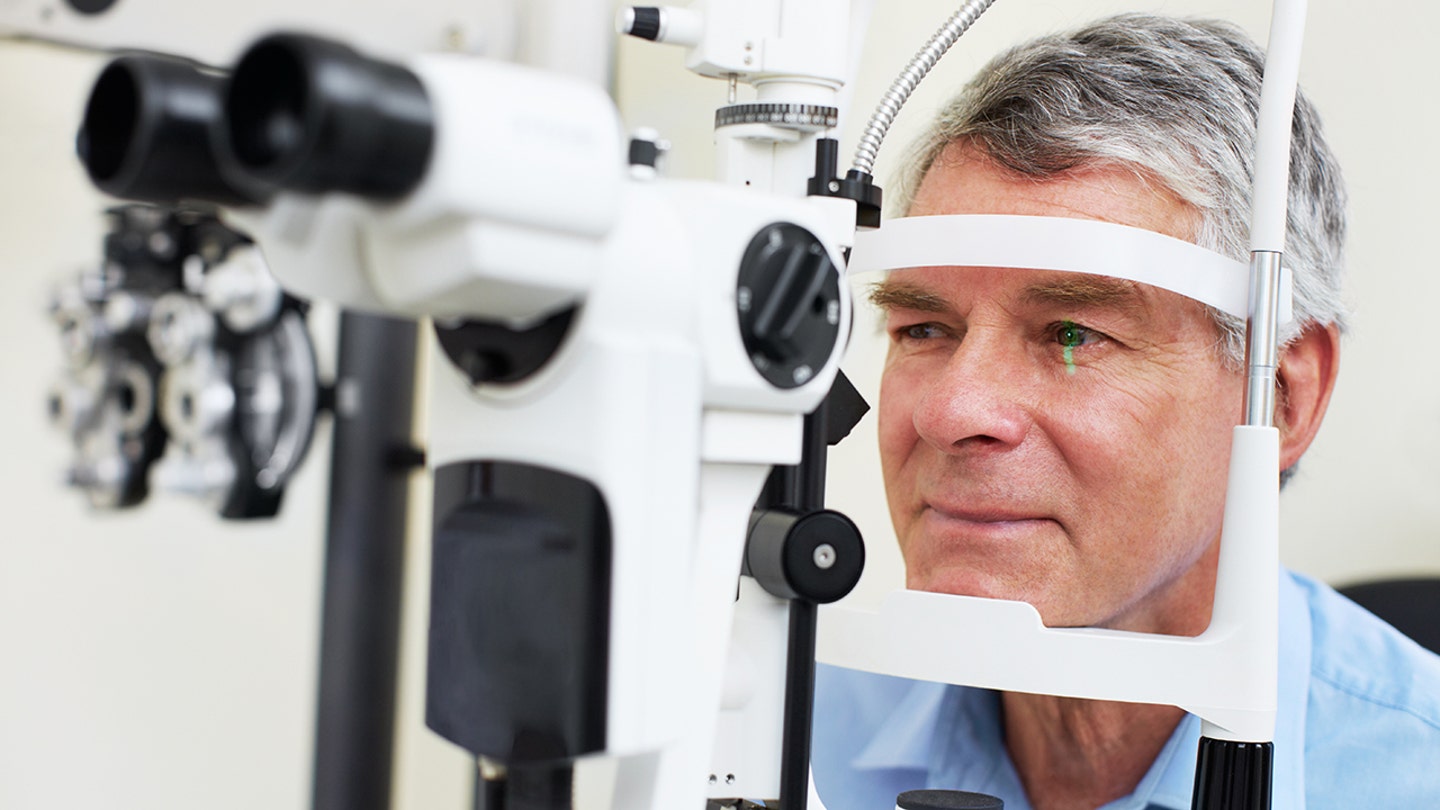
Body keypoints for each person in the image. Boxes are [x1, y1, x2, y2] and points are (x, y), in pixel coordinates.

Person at [812, 13, 1440, 810]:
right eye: (925, 328)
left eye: (1073, 334)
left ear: (1286, 395)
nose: (951, 411)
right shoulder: (784, 732)